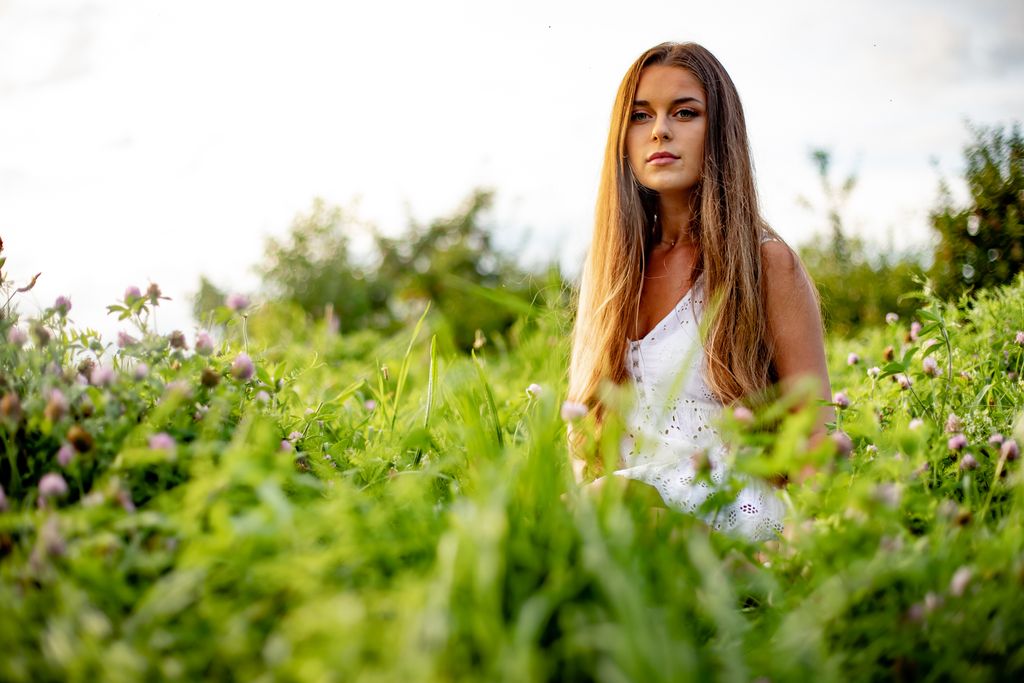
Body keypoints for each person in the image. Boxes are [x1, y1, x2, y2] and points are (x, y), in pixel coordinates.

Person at [567, 42, 833, 541]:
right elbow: (587, 438)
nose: (660, 130)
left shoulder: (766, 265)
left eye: (684, 112)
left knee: (617, 502)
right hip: (626, 506)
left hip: (731, 502)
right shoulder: (609, 277)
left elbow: (814, 436)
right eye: (641, 116)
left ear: (719, 130)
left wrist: (812, 558)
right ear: (622, 139)